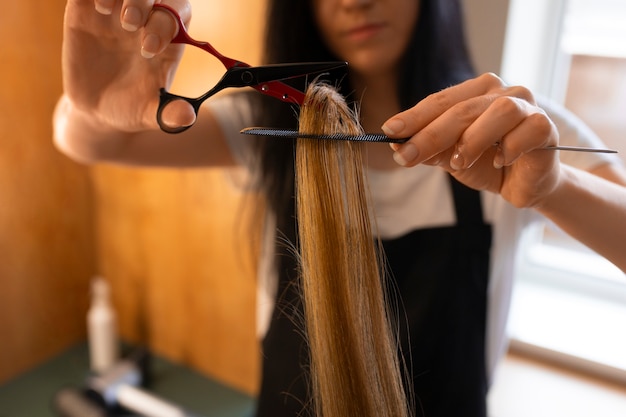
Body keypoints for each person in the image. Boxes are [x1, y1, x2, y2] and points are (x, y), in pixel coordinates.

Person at [54, 0, 626, 416]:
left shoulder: (509, 130)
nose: (355, 1)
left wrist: (553, 188)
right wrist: (96, 105)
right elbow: (89, 141)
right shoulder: (261, 129)